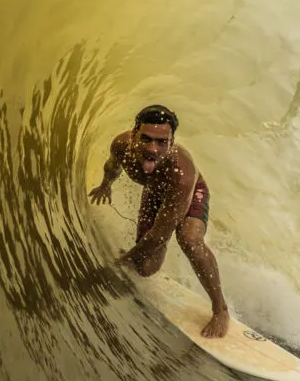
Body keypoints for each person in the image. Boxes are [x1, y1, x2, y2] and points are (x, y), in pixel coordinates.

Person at [88, 105, 230, 338]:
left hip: (191, 193)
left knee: (189, 239)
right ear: (134, 134)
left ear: (171, 142)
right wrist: (106, 185)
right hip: (156, 193)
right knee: (145, 268)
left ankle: (220, 310)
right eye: (146, 139)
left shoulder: (181, 173)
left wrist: (121, 262)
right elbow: (112, 167)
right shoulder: (121, 145)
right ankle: (138, 255)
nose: (153, 149)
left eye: (162, 142)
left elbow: (160, 234)